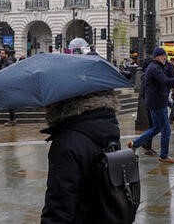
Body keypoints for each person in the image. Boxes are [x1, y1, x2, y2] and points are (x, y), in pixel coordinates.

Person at [40, 90, 122, 222]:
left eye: (49, 99)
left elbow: (59, 209)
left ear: (66, 99)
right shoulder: (107, 125)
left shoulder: (66, 143)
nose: (43, 106)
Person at [128, 47, 174, 164]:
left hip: (155, 101)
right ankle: (164, 156)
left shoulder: (157, 66)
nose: (165, 58)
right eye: (163, 56)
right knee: (166, 129)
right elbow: (165, 81)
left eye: (165, 56)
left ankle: (135, 143)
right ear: (157, 56)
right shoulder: (154, 68)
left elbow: (168, 77)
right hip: (157, 102)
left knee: (156, 128)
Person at [0, 49, 18, 126]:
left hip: (9, 84)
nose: (0, 54)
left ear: (6, 54)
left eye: (2, 53)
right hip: (7, 84)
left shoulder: (8, 62)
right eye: (0, 53)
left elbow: (12, 72)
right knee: (9, 103)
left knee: (10, 103)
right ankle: (12, 119)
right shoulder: (5, 61)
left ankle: (13, 120)